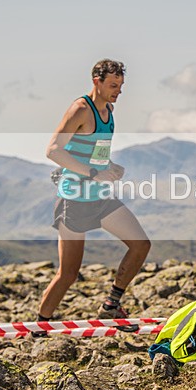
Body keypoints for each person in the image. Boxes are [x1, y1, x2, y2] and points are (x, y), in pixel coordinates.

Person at [39, 59, 151, 333]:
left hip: (99, 196)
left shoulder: (109, 111)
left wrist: (110, 167)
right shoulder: (80, 109)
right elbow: (53, 150)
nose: (118, 91)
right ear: (96, 82)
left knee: (141, 245)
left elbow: (96, 153)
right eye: (113, 85)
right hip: (74, 199)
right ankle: (39, 326)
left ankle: (111, 305)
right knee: (68, 274)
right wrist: (92, 172)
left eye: (121, 86)